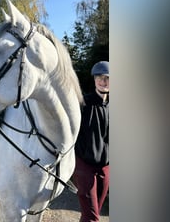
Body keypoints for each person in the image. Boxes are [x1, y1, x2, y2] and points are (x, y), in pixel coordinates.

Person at [74, 61, 109, 222]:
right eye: (100, 78)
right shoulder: (83, 103)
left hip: (106, 167)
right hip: (84, 165)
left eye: (108, 78)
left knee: (93, 212)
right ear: (94, 80)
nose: (104, 82)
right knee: (92, 217)